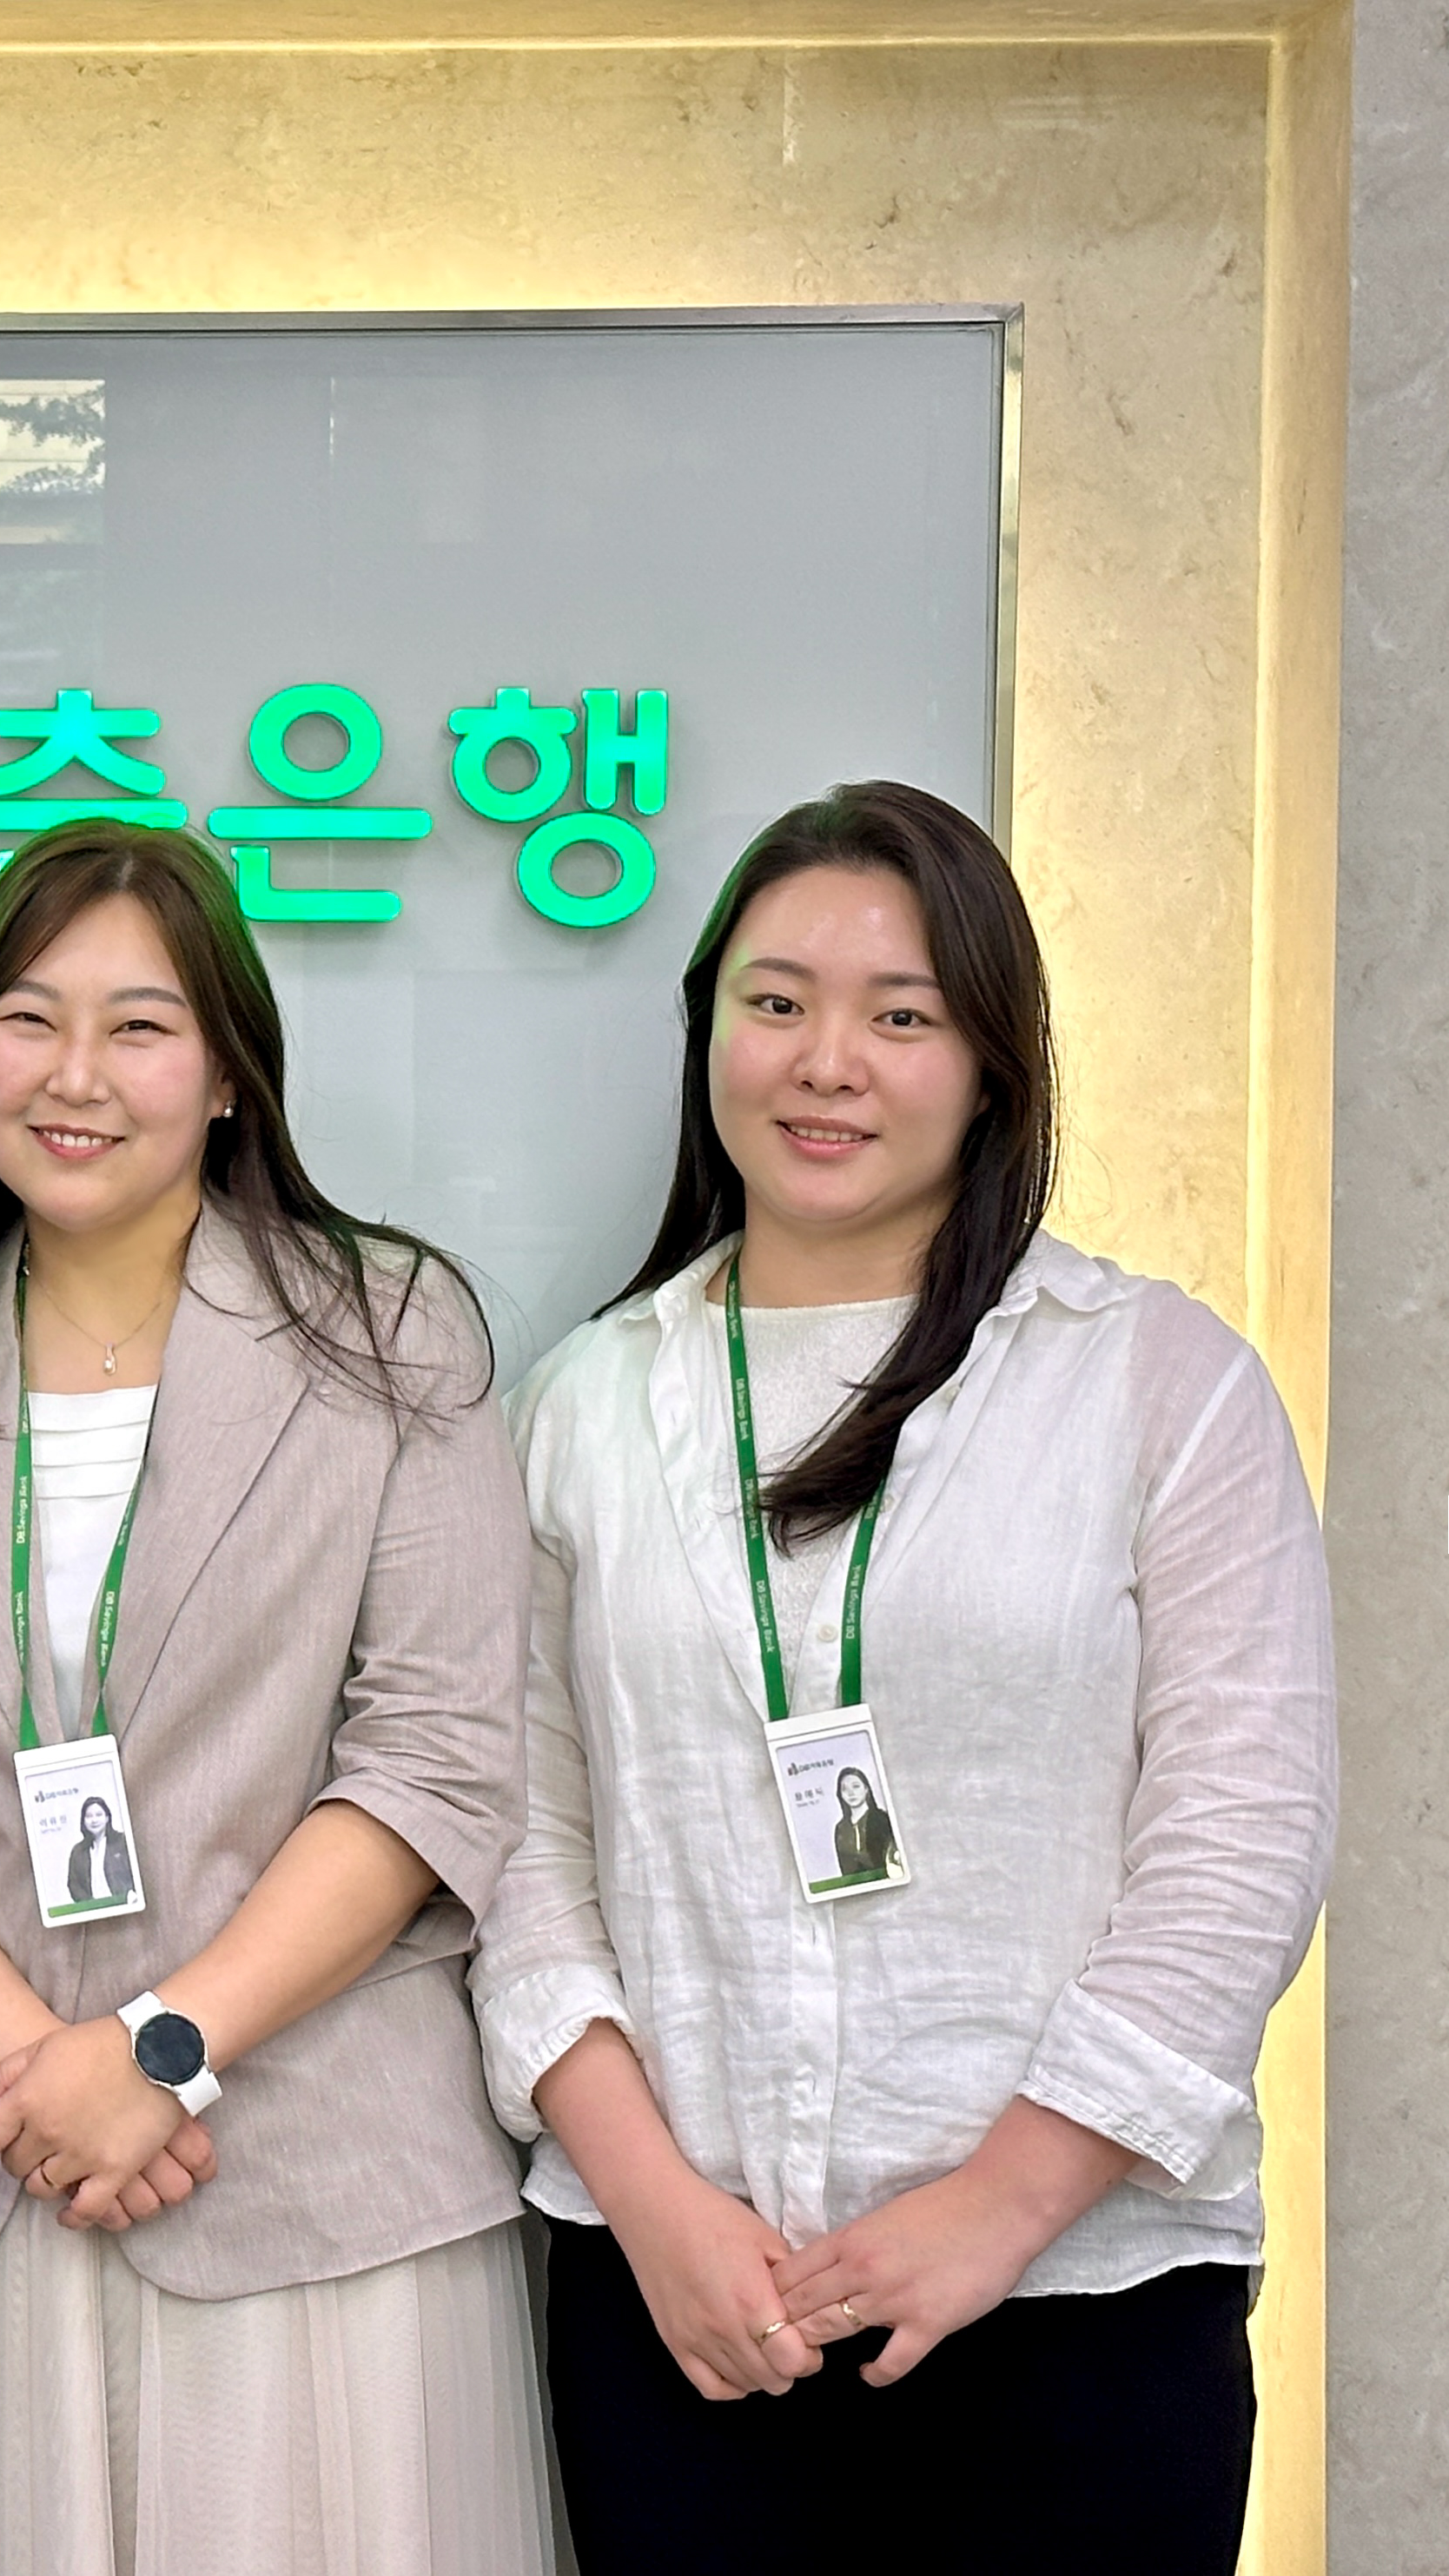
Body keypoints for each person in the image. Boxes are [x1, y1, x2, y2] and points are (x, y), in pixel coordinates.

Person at [470, 782, 1334, 2576]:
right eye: (776, 1002)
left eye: (901, 1014)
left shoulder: (1155, 1380)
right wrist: (651, 2202)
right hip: (689, 2309)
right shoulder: (583, 1407)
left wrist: (999, 2204)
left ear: (995, 1061)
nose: (827, 1062)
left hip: (1082, 2298)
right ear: (708, 1027)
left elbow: (1241, 1835)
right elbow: (520, 1841)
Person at [0, 820, 552, 2576]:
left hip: (308, 2183)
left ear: (226, 1075)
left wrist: (159, 2054)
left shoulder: (388, 1335)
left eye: (138, 1026)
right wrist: (43, 2081)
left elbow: (433, 1754)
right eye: (27, 1018)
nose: (74, 1075)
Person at [64, 1795, 133, 1907]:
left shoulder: (122, 1841)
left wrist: (129, 1896)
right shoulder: (78, 1851)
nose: (94, 1820)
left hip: (126, 1904)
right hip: (93, 1909)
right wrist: (90, 1905)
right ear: (83, 1821)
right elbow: (74, 1884)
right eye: (89, 1816)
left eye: (99, 1815)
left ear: (107, 1818)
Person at [830, 1767, 896, 1881]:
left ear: (866, 1789)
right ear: (840, 1795)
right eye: (845, 1789)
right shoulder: (841, 1829)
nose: (851, 1793)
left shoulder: (882, 1819)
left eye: (856, 1786)